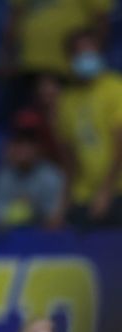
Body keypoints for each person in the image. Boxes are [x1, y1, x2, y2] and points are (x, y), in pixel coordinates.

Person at [57, 29, 122, 228]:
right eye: (79, 52)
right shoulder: (66, 100)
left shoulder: (115, 88)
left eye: (90, 51)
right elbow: (69, 158)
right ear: (70, 59)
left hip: (117, 190)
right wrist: (64, 201)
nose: (85, 57)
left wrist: (106, 191)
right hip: (83, 195)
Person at [0, 125, 65, 230]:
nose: (22, 151)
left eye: (28, 145)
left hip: (41, 235)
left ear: (38, 149)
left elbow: (55, 217)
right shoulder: (3, 175)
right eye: (18, 144)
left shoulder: (51, 176)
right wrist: (13, 211)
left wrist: (33, 208)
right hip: (10, 235)